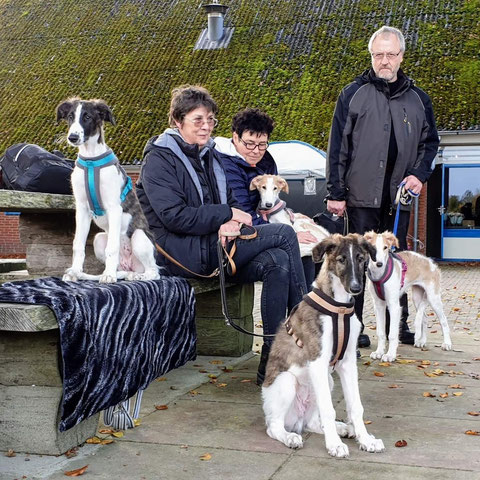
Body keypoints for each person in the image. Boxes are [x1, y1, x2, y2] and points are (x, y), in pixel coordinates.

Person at [136, 85, 308, 385]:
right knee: (283, 234)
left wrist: (230, 220)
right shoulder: (159, 159)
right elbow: (173, 216)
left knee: (278, 261)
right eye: (198, 120)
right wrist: (225, 217)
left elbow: (229, 203)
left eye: (211, 120)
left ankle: (272, 358)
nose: (206, 126)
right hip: (179, 251)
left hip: (216, 245)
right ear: (178, 121)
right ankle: (307, 332)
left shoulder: (210, 157)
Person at [325, 26, 439, 348]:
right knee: (357, 262)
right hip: (360, 197)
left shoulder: (419, 100)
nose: (384, 61)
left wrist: (419, 174)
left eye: (391, 54)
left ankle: (397, 327)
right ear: (371, 56)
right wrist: (335, 192)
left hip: (399, 198)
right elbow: (338, 147)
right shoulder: (352, 94)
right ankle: (355, 328)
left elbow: (430, 144)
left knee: (397, 262)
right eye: (378, 55)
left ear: (401, 56)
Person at [214, 107, 317, 288]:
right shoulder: (226, 165)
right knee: (284, 257)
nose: (256, 150)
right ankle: (301, 310)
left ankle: (304, 310)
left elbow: (273, 206)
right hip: (238, 237)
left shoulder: (267, 161)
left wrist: (295, 217)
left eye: (262, 144)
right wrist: (292, 234)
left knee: (309, 252)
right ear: (235, 138)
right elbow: (244, 213)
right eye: (250, 143)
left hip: (262, 228)